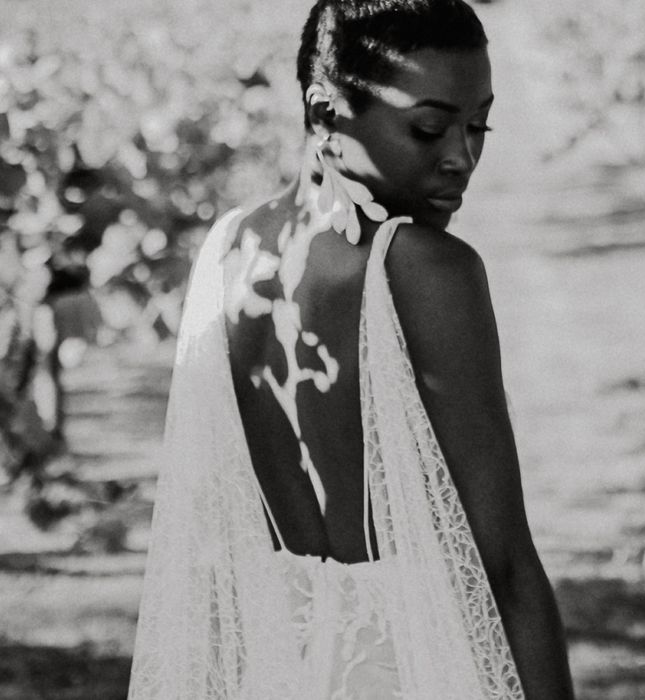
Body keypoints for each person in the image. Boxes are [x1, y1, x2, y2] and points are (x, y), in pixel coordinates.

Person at [128, 1, 574, 698]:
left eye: (478, 124)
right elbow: (505, 567)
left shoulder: (228, 252)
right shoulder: (425, 270)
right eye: (429, 128)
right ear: (326, 113)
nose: (462, 156)